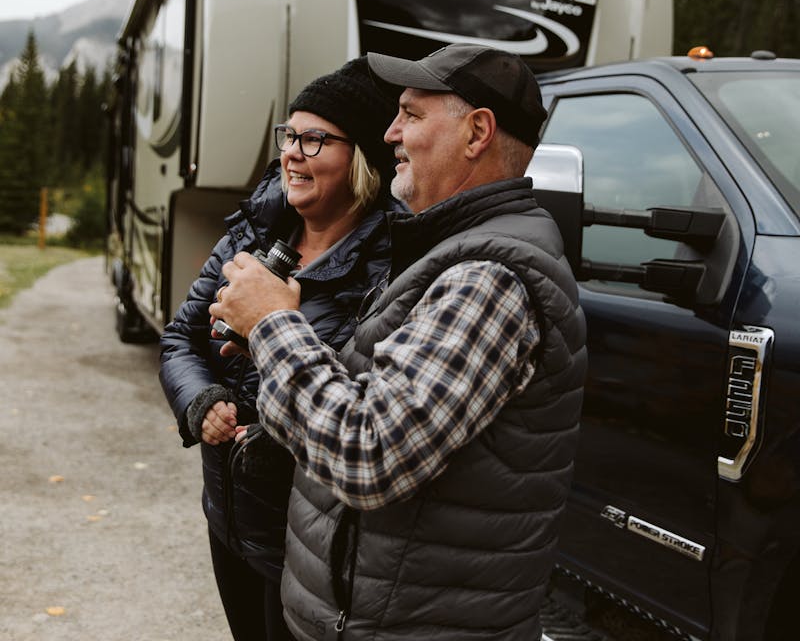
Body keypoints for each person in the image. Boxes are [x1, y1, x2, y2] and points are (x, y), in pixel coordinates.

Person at [210, 43, 587, 641]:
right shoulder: (448, 254)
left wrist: (273, 326)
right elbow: (382, 399)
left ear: (477, 132)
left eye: (411, 115)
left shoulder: (488, 280)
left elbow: (370, 451)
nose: (389, 134)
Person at [159, 56, 400, 641]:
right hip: (231, 514)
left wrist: (270, 424)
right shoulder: (252, 233)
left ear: (362, 158)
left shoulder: (389, 265)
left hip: (313, 540)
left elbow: (358, 397)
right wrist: (201, 400)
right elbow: (180, 339)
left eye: (314, 139)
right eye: (289, 135)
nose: (292, 152)